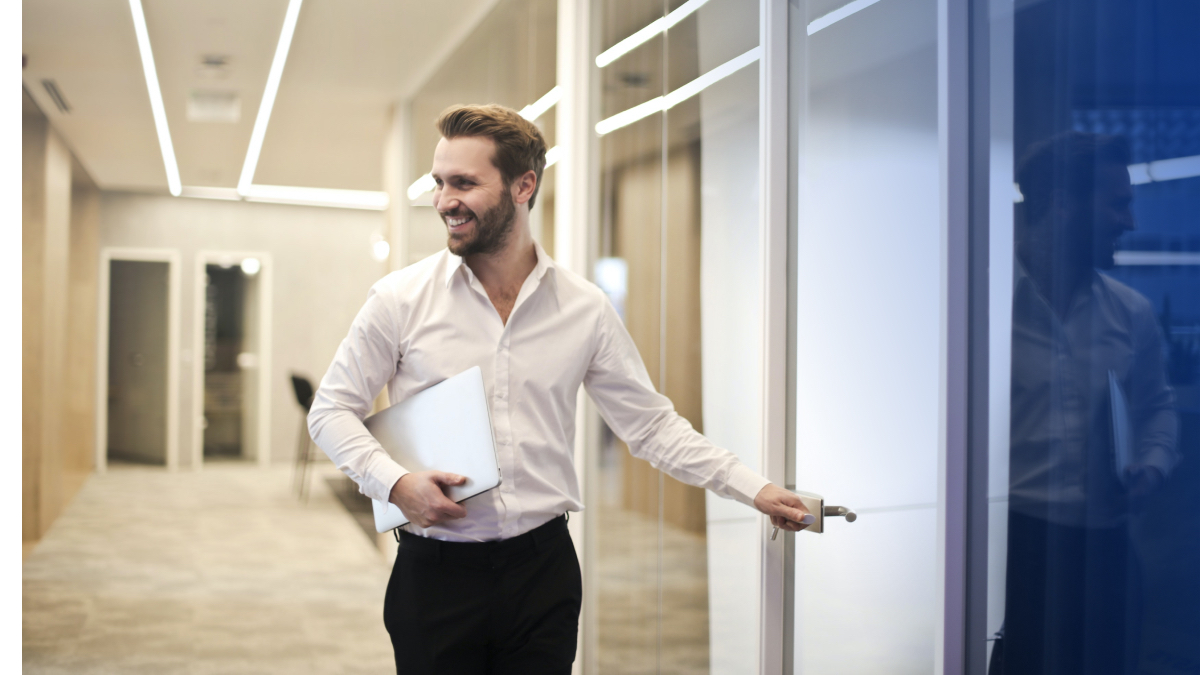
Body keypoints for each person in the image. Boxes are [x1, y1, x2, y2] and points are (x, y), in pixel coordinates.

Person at [308, 103, 812, 674]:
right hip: (435, 577)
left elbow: (649, 426)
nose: (444, 200)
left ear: (524, 186)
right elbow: (331, 411)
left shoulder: (583, 308)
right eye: (439, 182)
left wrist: (753, 488)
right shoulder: (399, 300)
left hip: (541, 573)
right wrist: (394, 483)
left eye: (465, 183)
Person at [990, 131, 1180, 675]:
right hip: (1017, 544)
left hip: (1107, 551)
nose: (1130, 222)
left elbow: (1157, 408)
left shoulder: (1131, 313)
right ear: (1064, 205)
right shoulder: (986, 306)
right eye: (1117, 204)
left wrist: (1152, 465)